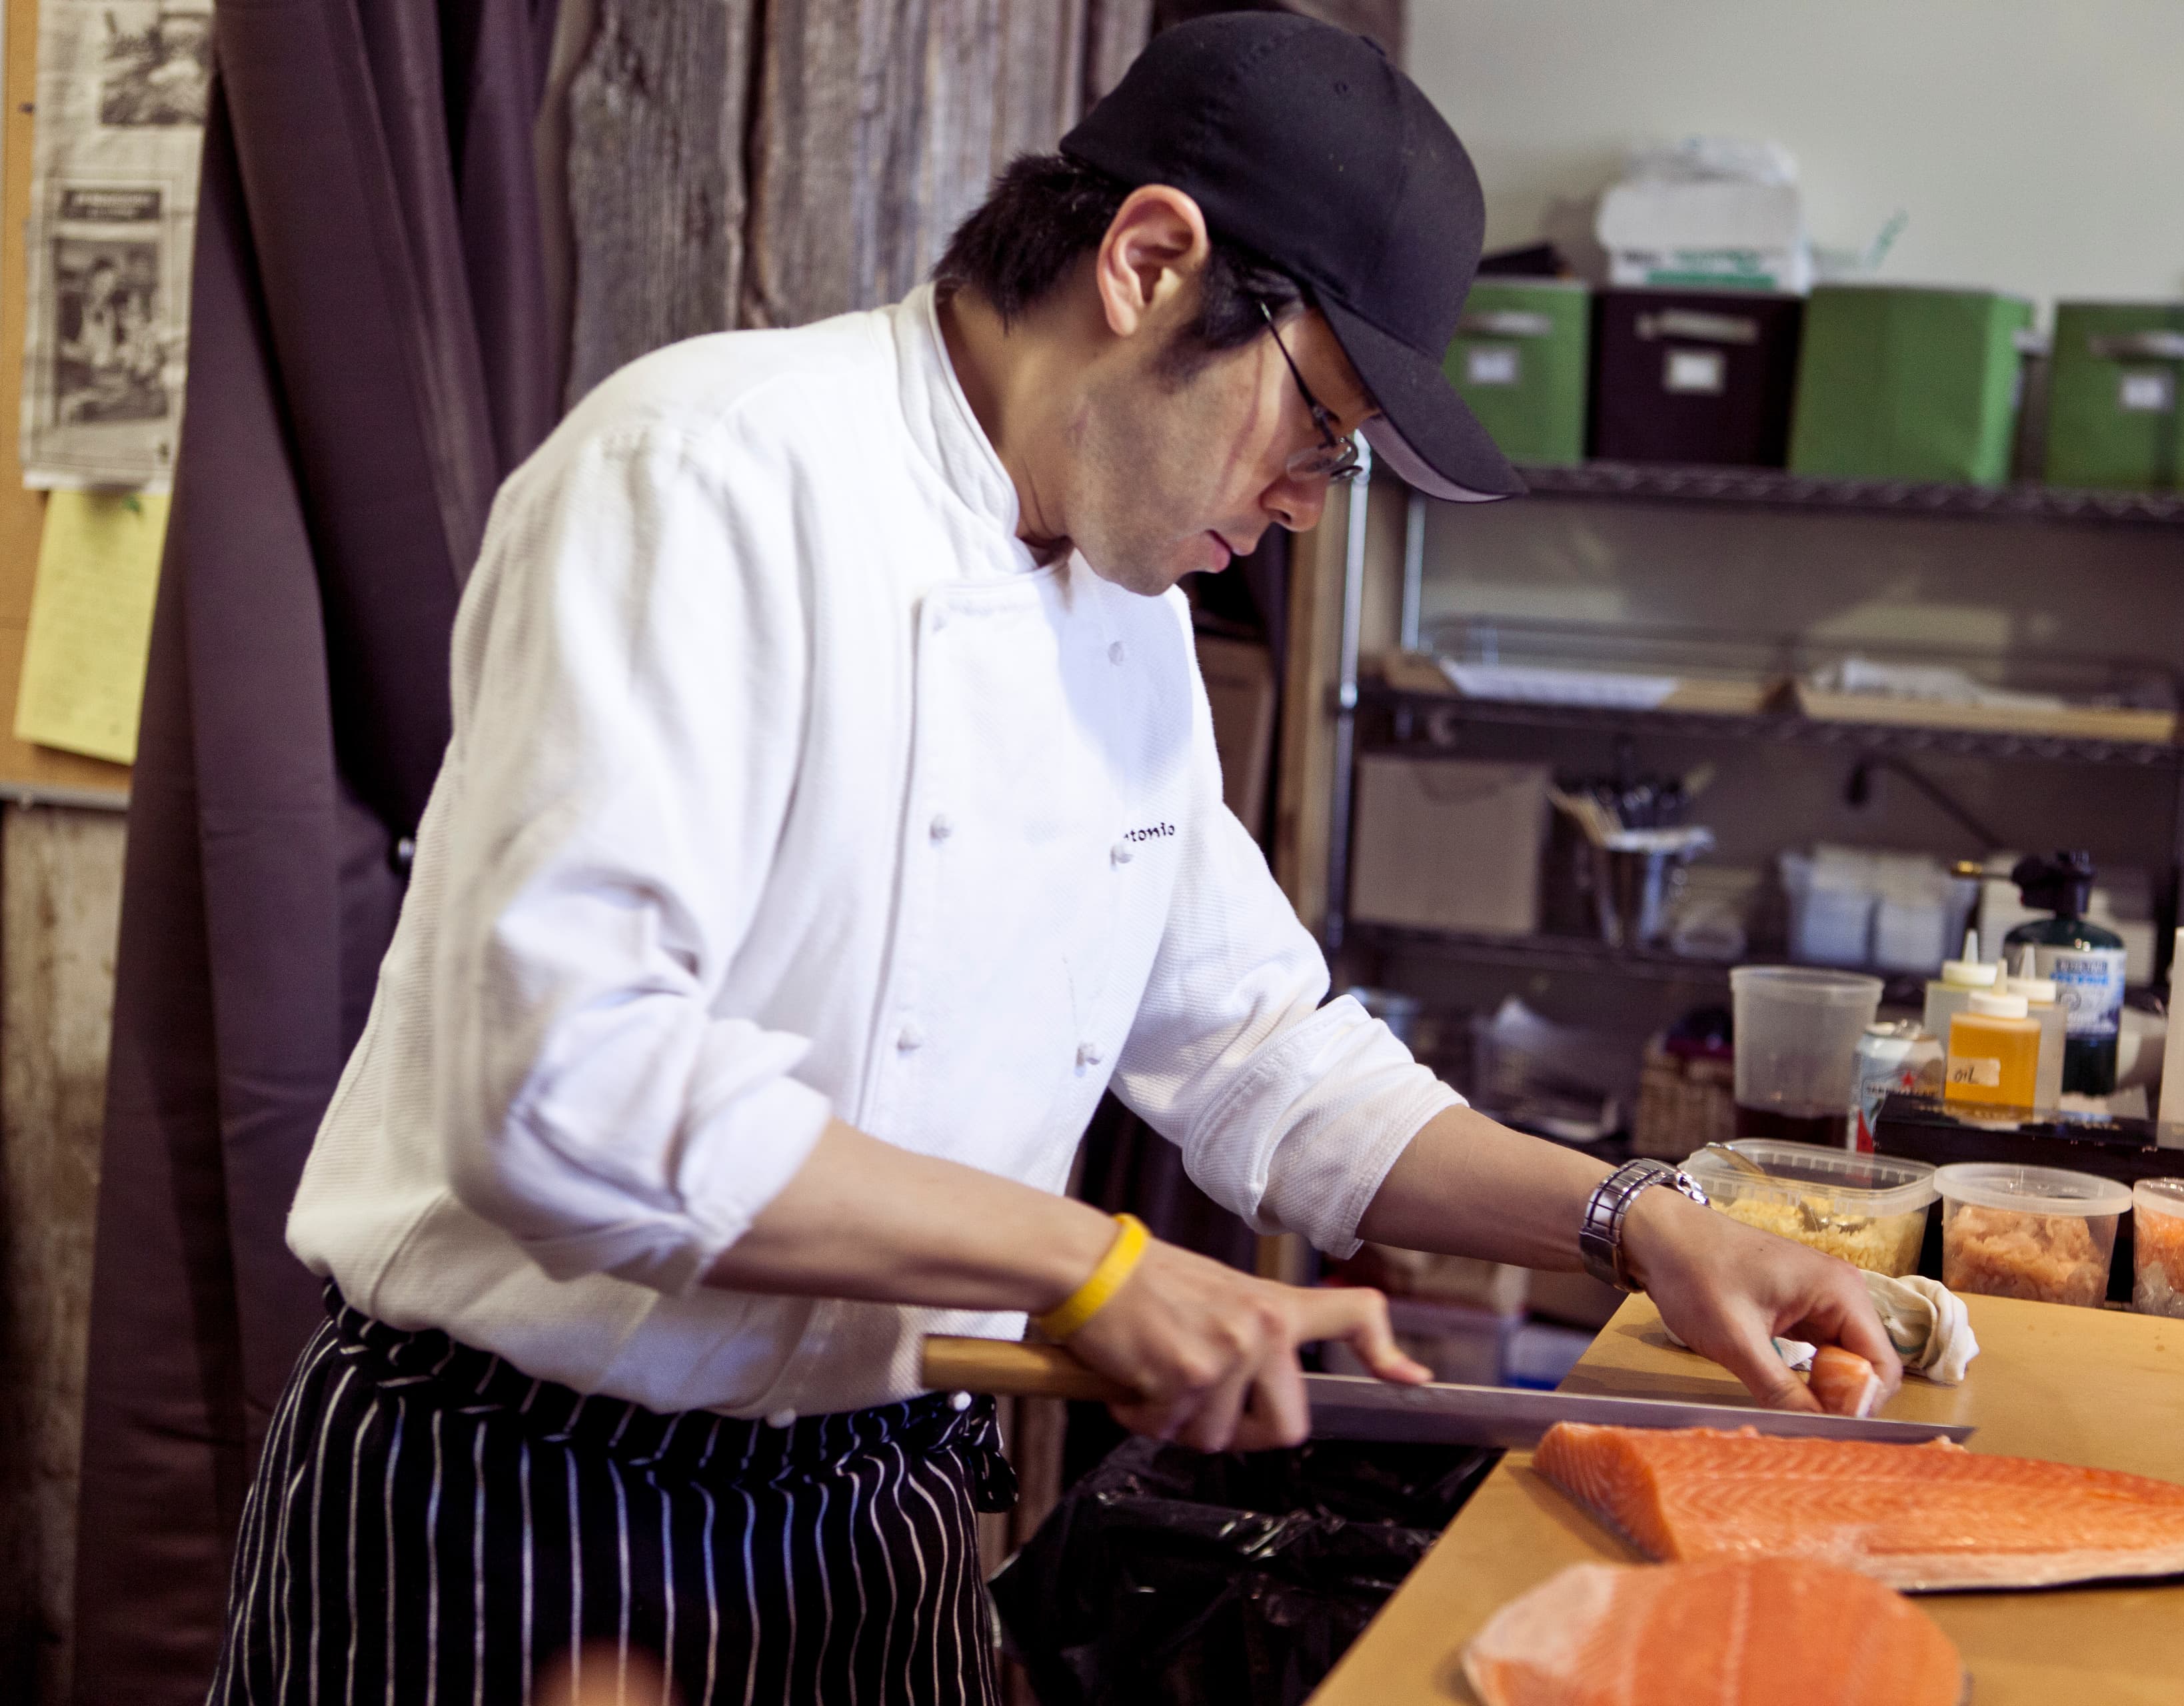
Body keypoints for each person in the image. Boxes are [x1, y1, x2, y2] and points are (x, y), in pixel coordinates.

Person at [209, 15, 1897, 1706]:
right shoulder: (707, 477)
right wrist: (1090, 1264)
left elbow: (1264, 1058)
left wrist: (1638, 1220)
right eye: (1318, 427)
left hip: (872, 1511)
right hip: (518, 1511)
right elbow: (561, 1091)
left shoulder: (1127, 614)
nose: (1312, 501)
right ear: (1149, 262)